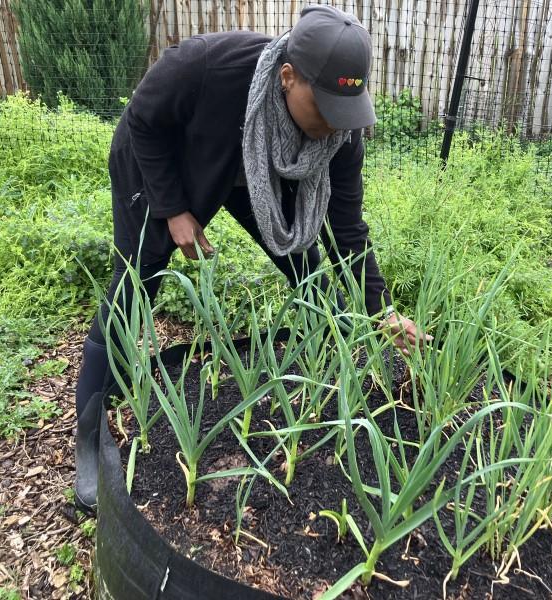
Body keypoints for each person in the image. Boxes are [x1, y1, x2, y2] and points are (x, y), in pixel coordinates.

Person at [73, 4, 429, 514]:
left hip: (252, 175)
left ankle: (323, 380)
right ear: (287, 78)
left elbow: (346, 230)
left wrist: (381, 309)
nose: (335, 124)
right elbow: (145, 121)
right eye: (325, 107)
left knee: (307, 269)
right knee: (134, 287)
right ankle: (88, 436)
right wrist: (174, 210)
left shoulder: (337, 138)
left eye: (344, 110)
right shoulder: (206, 67)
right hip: (161, 164)